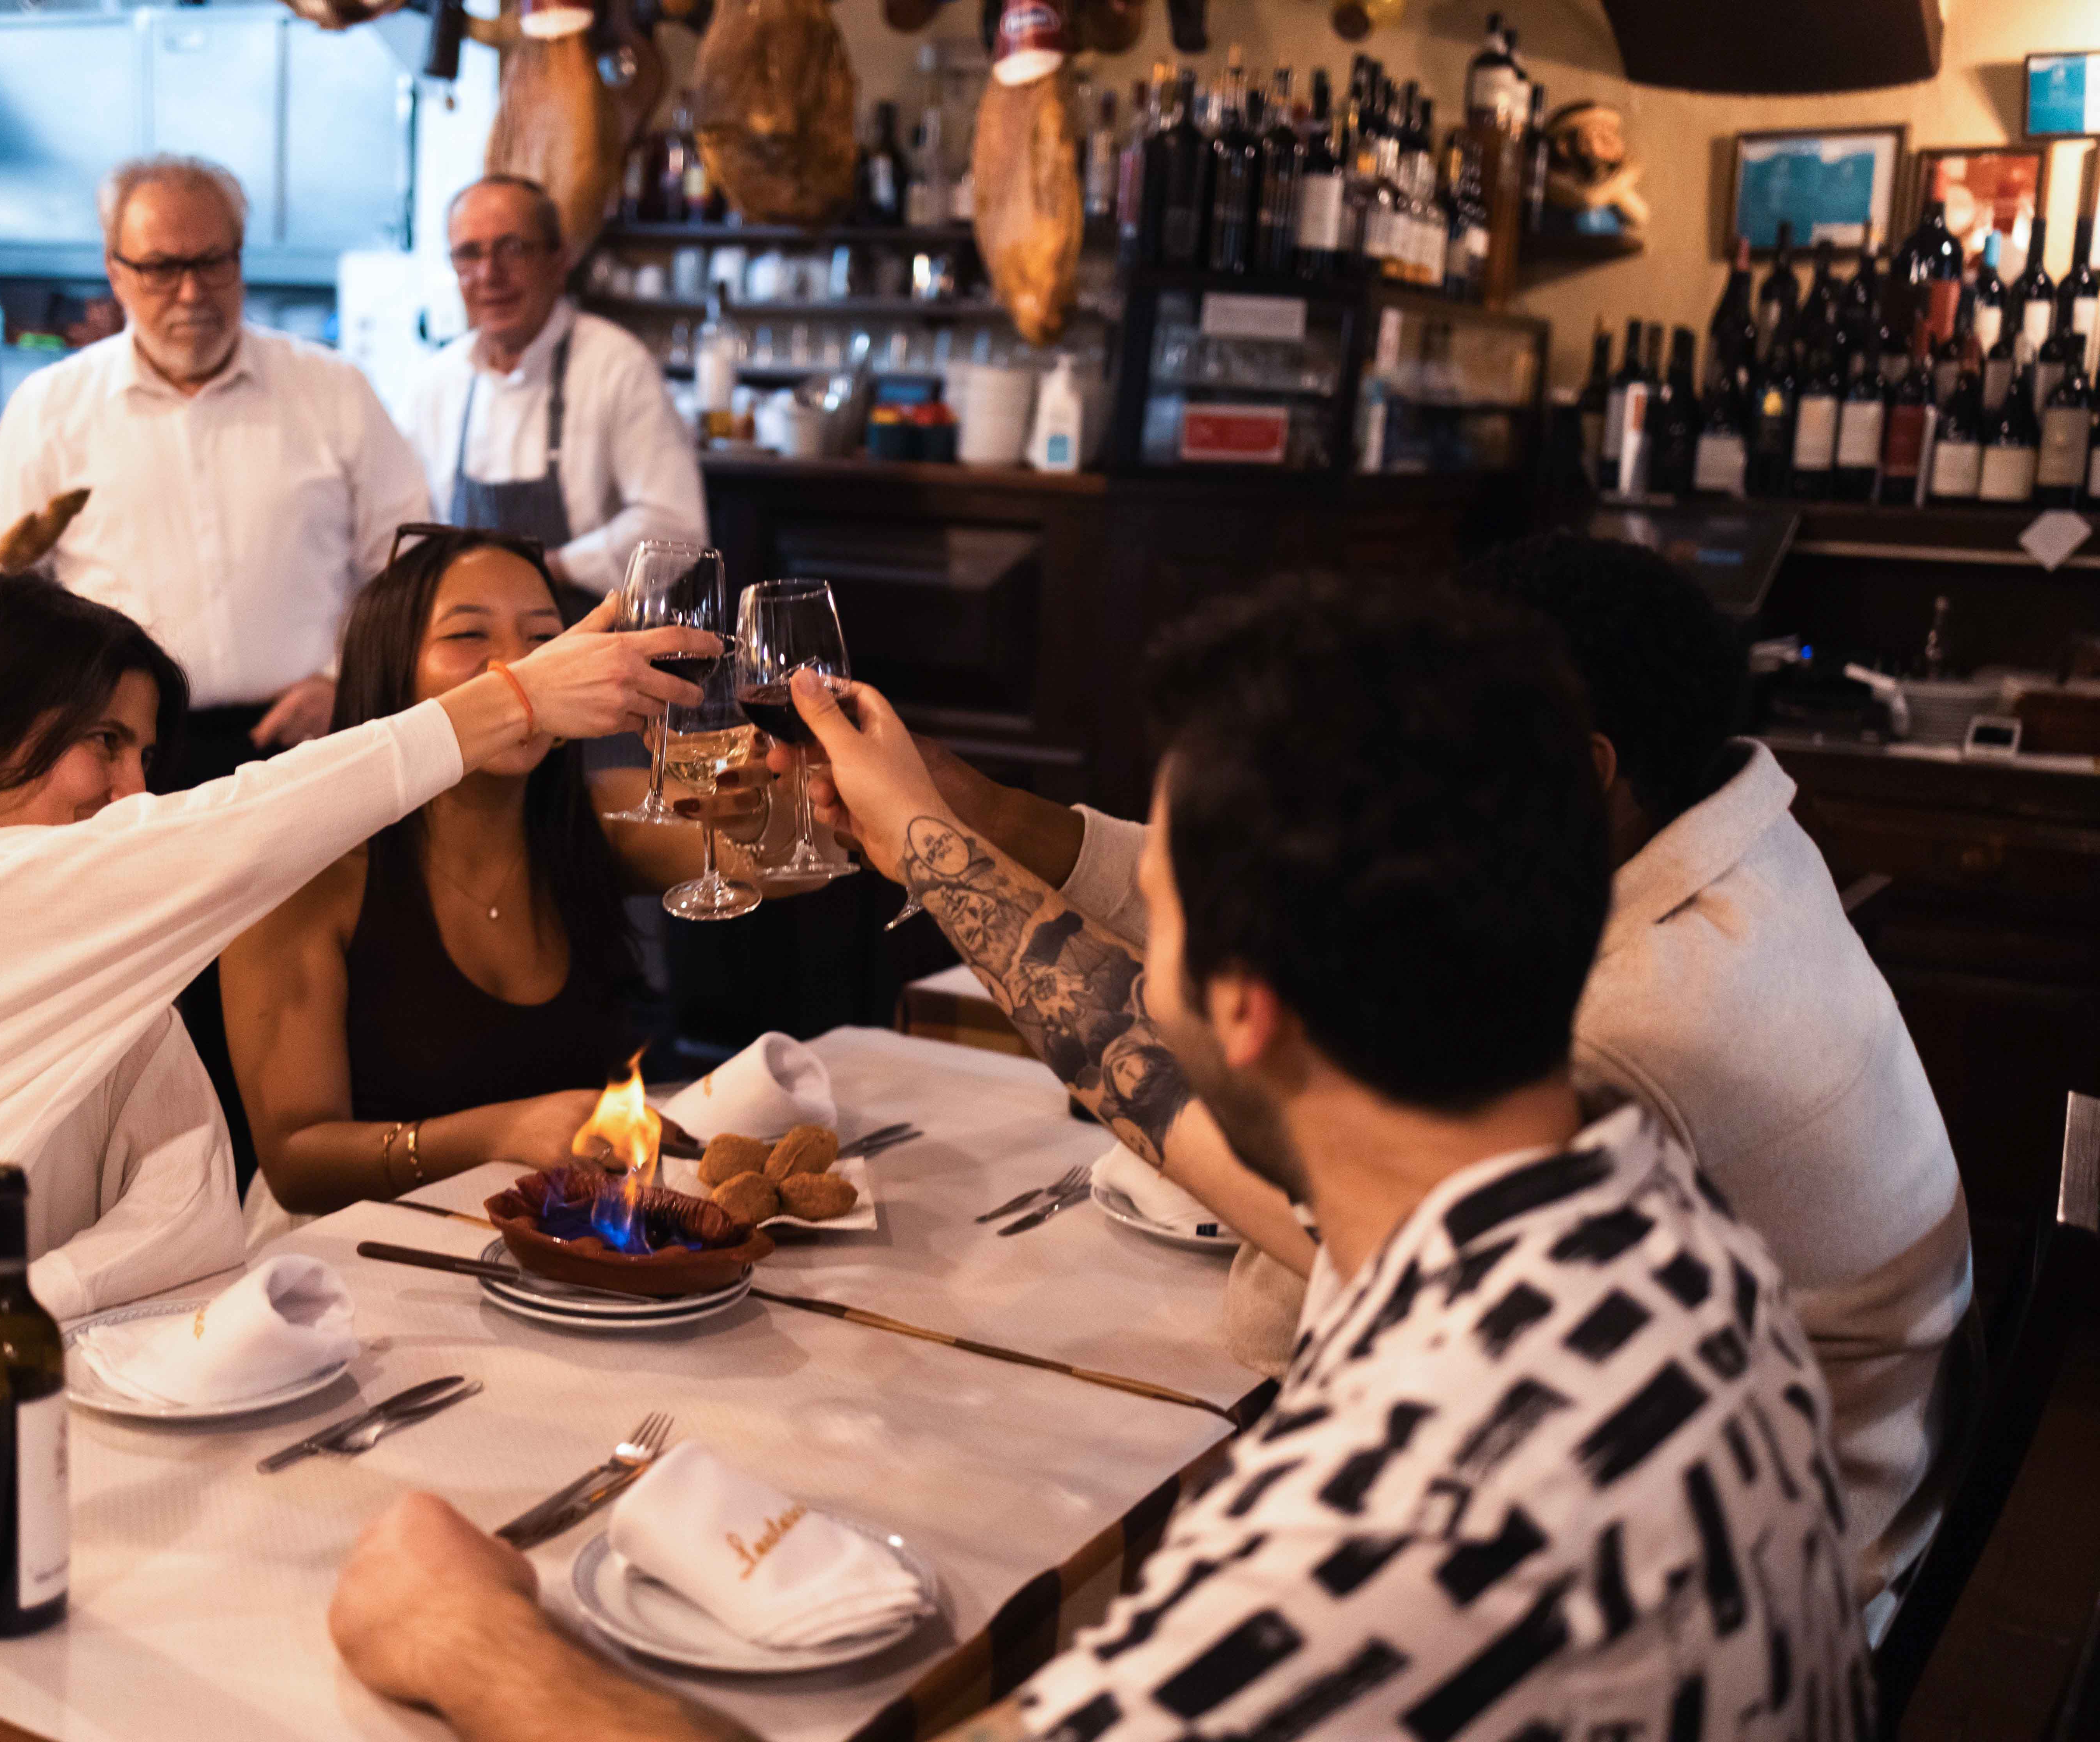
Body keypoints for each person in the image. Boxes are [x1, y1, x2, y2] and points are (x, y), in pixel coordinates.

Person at [321, 579, 1869, 1742]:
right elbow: (1140, 1062)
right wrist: (930, 839)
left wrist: (477, 1647)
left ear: (1249, 1008)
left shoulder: (1378, 1538)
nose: (1140, 949)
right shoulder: (1638, 1214)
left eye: (1164, 907)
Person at [823, 538, 1969, 1634]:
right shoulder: (1716, 838)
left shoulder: (1630, 1030)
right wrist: (968, 812)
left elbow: (1273, 1173)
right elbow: (1249, 883)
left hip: (1735, 1582)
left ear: (1579, 767)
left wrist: (931, 849)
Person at [0, 570, 712, 1433]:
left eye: (146, 756)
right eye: (104, 743)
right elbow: (220, 838)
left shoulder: (92, 953)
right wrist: (509, 703)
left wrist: (2, 1312)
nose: (135, 794)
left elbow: (190, 1211)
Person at [221, 527, 804, 1237]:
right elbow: (296, 1164)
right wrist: (500, 1132)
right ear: (388, 670)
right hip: (359, 1258)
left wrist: (768, 799)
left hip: (565, 1244)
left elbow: (782, 867)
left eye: (545, 640)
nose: (522, 667)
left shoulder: (598, 815)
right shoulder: (308, 875)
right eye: (469, 636)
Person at [0, 155, 431, 785]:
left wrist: (343, 681)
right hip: (117, 762)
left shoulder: (334, 390)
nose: (191, 293)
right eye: (159, 268)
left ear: (240, 258)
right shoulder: (51, 408)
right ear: (115, 272)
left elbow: (411, 566)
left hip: (309, 745)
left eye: (211, 262)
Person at [404, 176, 705, 592]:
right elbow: (410, 534)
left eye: (513, 249)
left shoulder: (617, 365)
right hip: (472, 648)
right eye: (469, 254)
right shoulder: (435, 386)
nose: (490, 274)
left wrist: (551, 569)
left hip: (592, 641)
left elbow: (676, 528)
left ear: (559, 260)